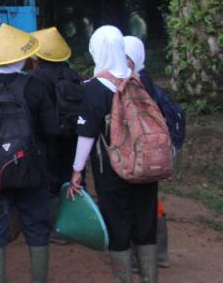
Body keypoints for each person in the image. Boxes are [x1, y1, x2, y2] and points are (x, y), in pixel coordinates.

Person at [0, 24, 60, 283]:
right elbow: (52, 130)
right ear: (20, 57)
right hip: (32, 169)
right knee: (37, 226)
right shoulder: (36, 86)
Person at [68, 26, 159, 283]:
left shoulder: (94, 88)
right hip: (146, 166)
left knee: (118, 224)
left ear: (96, 50)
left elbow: (86, 135)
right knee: (145, 224)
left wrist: (77, 170)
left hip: (111, 169)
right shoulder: (139, 81)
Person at [28, 27, 81, 245]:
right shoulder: (71, 73)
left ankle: (56, 228)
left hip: (46, 137)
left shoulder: (35, 77)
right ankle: (75, 222)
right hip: (71, 135)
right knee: (71, 177)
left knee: (48, 181)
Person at [123, 36, 170, 270]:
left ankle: (143, 256)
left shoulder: (136, 83)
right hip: (151, 155)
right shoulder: (148, 81)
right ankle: (158, 254)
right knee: (149, 202)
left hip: (141, 154)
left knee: (138, 204)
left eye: (126, 57)